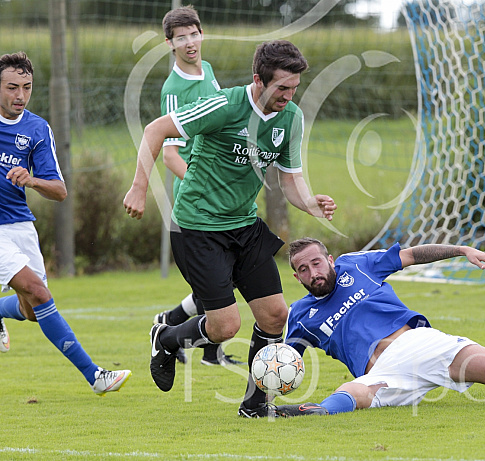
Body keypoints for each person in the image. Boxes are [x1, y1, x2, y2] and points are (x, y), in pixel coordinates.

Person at [123, 40, 336, 417]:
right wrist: (140, 186)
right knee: (224, 326)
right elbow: (156, 130)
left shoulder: (291, 119)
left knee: (274, 315)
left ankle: (255, 405)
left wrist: (310, 202)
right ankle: (168, 338)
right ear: (258, 79)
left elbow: (290, 180)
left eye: (294, 88)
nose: (288, 96)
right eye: (281, 88)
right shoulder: (225, 104)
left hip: (245, 224)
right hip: (197, 227)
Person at [267, 238, 485, 417]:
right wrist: (261, 398)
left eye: (317, 263)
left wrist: (462, 250)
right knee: (350, 395)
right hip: (384, 372)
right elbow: (280, 364)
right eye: (304, 270)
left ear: (329, 260)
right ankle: (316, 411)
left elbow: (411, 255)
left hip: (421, 343)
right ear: (297, 277)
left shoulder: (356, 266)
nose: (313, 273)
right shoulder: (302, 316)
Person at [0, 51, 131, 395]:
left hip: (20, 227)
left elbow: (59, 191)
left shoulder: (37, 128)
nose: (20, 96)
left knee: (32, 309)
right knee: (39, 292)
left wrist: (31, 180)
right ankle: (96, 376)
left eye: (26, 87)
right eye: (12, 87)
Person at [150, 5, 242, 368]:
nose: (190, 43)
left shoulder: (209, 71)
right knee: (222, 276)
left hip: (223, 189)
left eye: (194, 34)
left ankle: (189, 335)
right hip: (199, 196)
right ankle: (176, 329)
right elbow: (169, 154)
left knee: (228, 272)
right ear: (169, 43)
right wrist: (203, 182)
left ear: (202, 34)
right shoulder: (173, 88)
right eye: (181, 37)